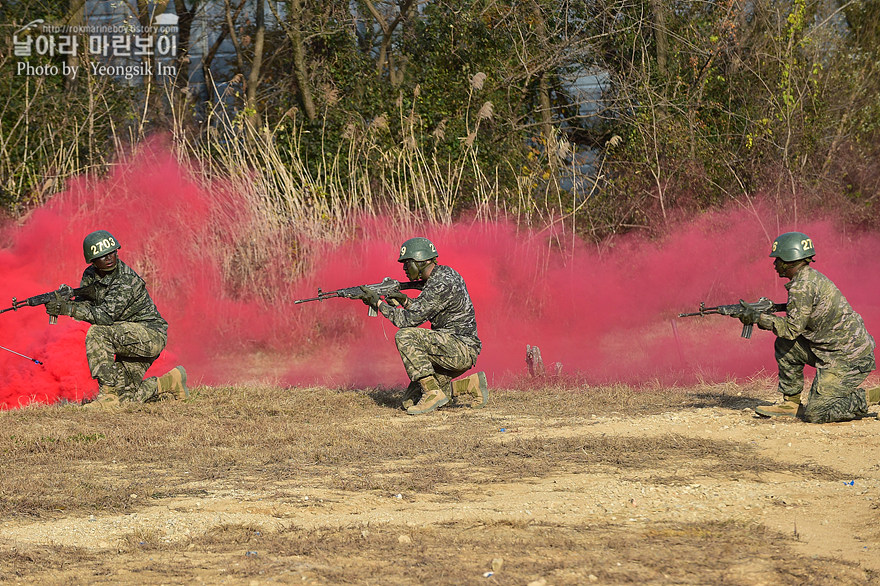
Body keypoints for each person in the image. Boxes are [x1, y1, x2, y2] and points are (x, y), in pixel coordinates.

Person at [738, 231, 879, 422]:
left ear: (789, 260)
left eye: (777, 259)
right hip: (829, 351)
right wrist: (770, 310)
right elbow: (801, 317)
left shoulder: (803, 286)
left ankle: (871, 396)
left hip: (849, 358)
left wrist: (758, 318)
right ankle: (791, 403)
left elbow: (791, 329)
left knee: (816, 413)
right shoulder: (808, 278)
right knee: (785, 345)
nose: (774, 264)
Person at [45, 230, 187, 408]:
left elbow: (104, 316)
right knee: (125, 400)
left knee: (97, 333)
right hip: (125, 337)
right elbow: (86, 305)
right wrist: (66, 301)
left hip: (150, 335)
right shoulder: (91, 275)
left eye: (112, 252)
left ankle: (107, 397)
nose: (109, 258)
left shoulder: (125, 279)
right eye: (102, 256)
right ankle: (171, 381)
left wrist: (68, 309)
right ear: (93, 261)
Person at [358, 237, 488, 415]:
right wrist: (405, 300)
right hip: (450, 349)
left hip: (459, 349)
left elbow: (407, 321)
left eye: (407, 263)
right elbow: (424, 307)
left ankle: (432, 393)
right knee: (408, 401)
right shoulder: (443, 274)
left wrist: (379, 304)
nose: (404, 268)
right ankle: (471, 385)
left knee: (405, 336)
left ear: (420, 262)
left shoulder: (440, 283)